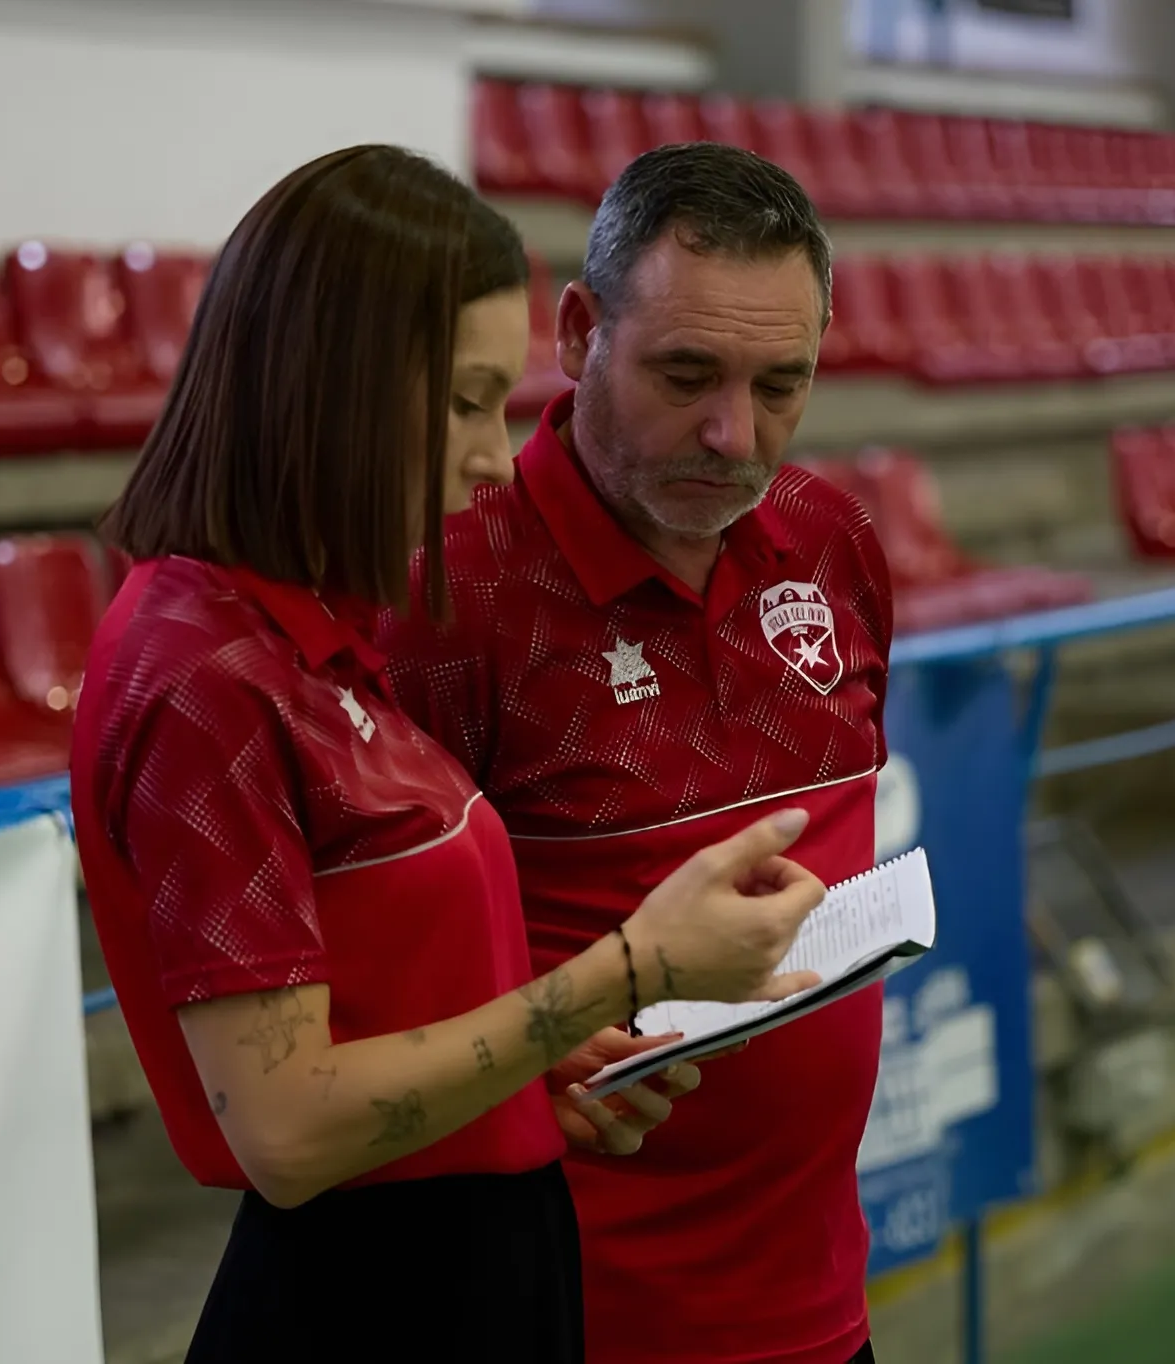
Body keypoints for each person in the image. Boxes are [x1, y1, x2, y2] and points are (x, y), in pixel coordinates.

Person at [69, 144, 836, 1364]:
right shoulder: (206, 670)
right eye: (467, 400)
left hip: (469, 1275)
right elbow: (286, 1127)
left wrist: (538, 1064)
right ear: (337, 385)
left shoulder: (302, 637)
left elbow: (389, 1005)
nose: (493, 451)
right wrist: (623, 972)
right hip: (369, 1299)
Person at [379, 142, 896, 1364]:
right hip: (569, 1319)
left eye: (783, 383)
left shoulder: (835, 540)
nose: (733, 432)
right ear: (576, 329)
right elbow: (380, 1008)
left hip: (822, 1308)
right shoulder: (450, 596)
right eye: (685, 373)